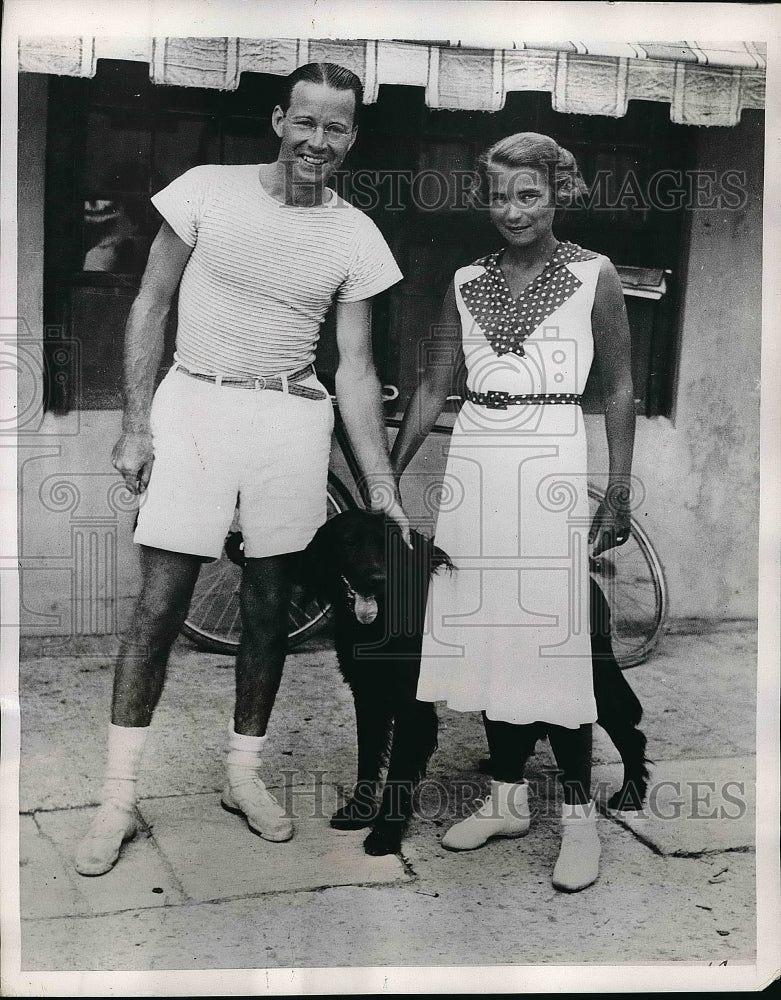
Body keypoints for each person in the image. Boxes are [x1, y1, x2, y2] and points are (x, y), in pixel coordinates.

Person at [75, 62, 409, 876]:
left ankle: (242, 776)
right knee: (159, 604)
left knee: (267, 609)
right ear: (277, 119)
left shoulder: (355, 233)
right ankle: (117, 799)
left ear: (351, 137)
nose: (317, 142)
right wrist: (135, 425)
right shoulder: (205, 189)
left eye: (335, 128)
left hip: (291, 417)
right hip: (195, 403)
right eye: (305, 122)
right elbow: (150, 304)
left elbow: (355, 370)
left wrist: (383, 490)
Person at [390, 132, 635, 892]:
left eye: (527, 195)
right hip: (477, 463)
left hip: (550, 464)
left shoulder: (594, 276)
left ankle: (577, 821)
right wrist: (381, 479)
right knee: (488, 637)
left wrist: (618, 489)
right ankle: (504, 800)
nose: (511, 210)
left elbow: (620, 390)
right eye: (497, 196)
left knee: (549, 645)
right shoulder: (465, 280)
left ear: (558, 193)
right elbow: (433, 390)